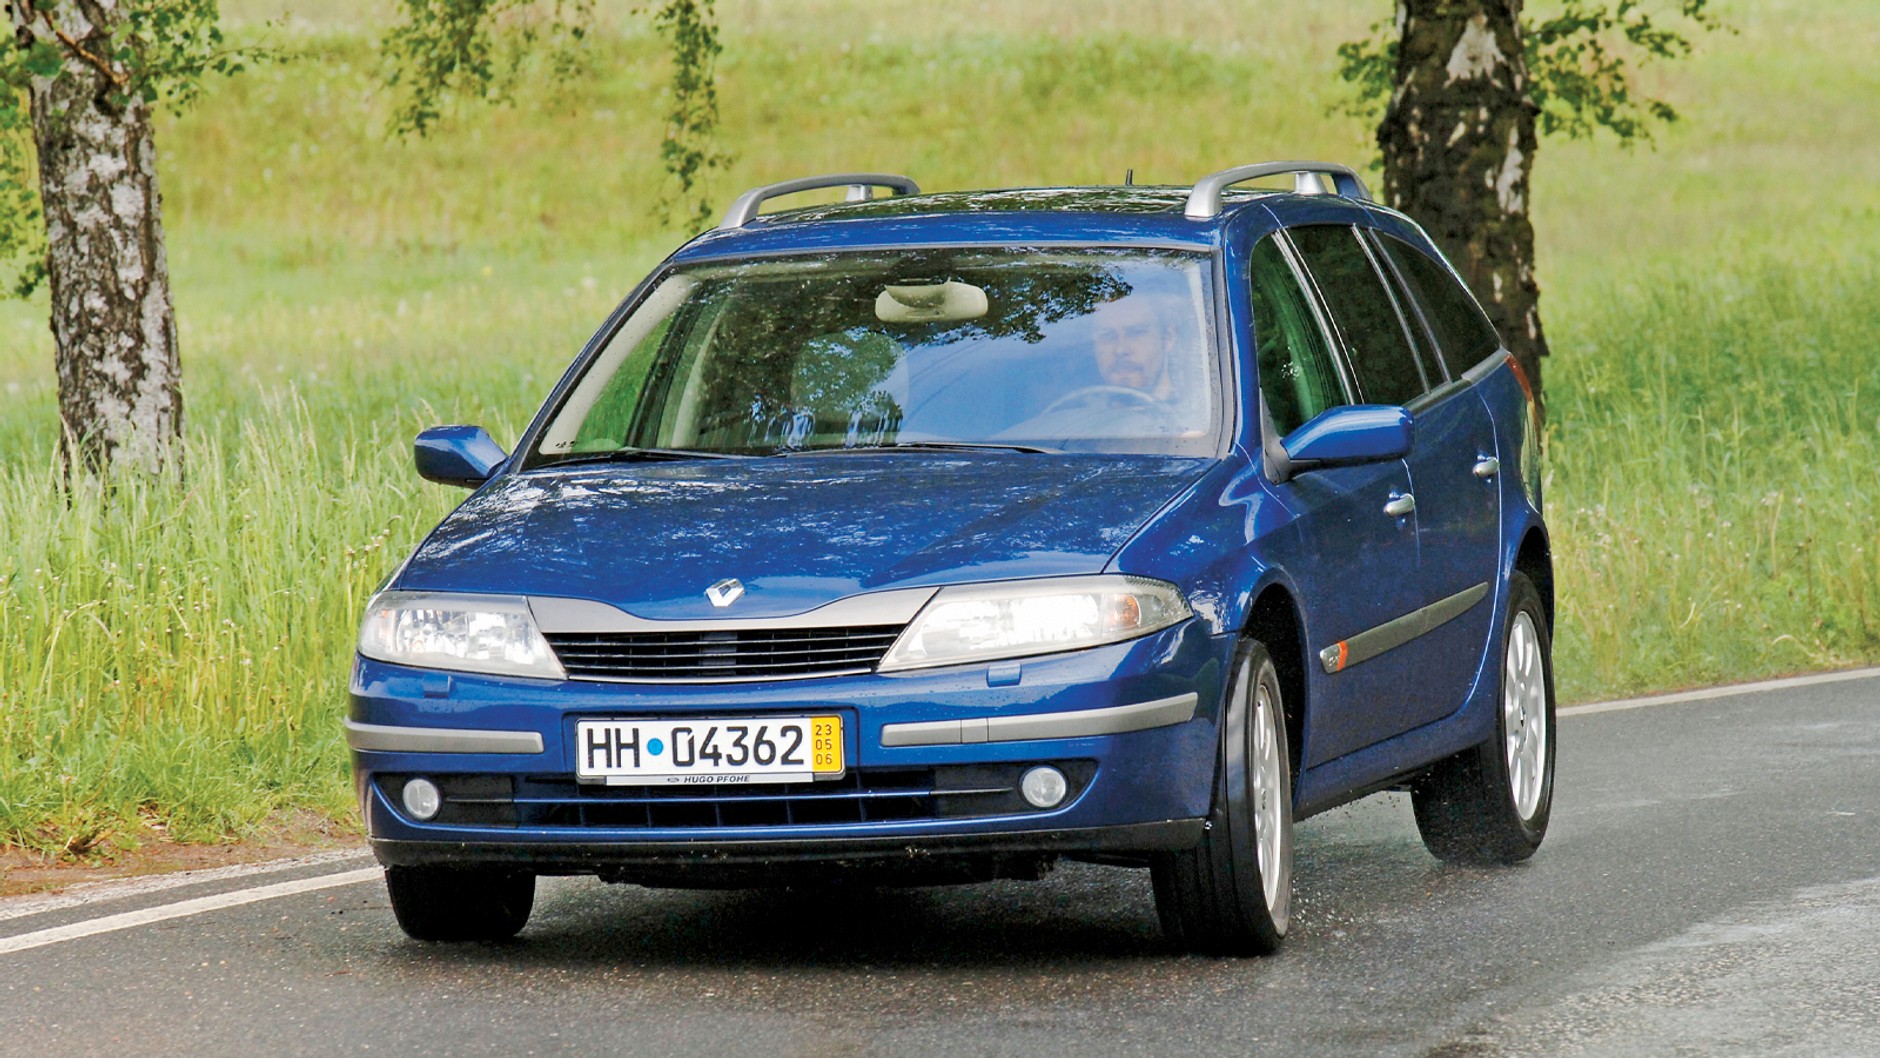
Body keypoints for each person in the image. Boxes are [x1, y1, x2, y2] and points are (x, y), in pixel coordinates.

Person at [1089, 295, 1178, 401]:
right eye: (1108, 336)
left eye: (1136, 333)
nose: (1120, 349)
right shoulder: (1074, 416)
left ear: (1167, 338)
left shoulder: (1197, 412)